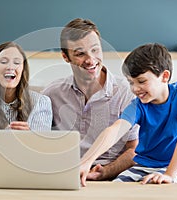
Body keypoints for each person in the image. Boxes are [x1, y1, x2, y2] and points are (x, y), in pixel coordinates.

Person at [80, 43, 177, 186]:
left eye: (141, 81)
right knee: (117, 188)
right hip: (143, 166)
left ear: (164, 76)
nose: (135, 89)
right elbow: (114, 131)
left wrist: (169, 174)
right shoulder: (138, 105)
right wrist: (86, 162)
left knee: (161, 187)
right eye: (131, 83)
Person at [43, 18, 139, 181]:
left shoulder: (127, 93)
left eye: (95, 50)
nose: (90, 60)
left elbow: (134, 150)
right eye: (80, 54)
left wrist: (105, 172)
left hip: (111, 176)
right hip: (66, 175)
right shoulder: (53, 93)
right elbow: (37, 138)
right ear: (65, 57)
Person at [0, 41, 52, 130]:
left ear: (23, 70)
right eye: (3, 62)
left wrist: (29, 136)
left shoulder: (40, 102)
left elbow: (43, 143)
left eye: (17, 62)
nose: (10, 67)